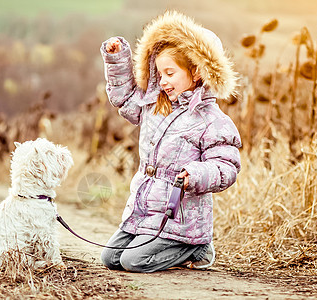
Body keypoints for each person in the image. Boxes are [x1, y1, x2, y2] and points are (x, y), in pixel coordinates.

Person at [99, 11, 242, 273]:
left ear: (197, 73)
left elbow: (227, 166)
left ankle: (197, 248)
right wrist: (117, 58)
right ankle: (156, 242)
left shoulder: (211, 119)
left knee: (133, 262)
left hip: (180, 217)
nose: (163, 81)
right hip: (144, 209)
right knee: (110, 258)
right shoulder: (155, 106)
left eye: (170, 73)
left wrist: (197, 174)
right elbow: (125, 98)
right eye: (159, 73)